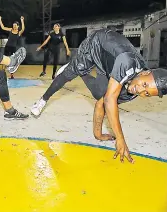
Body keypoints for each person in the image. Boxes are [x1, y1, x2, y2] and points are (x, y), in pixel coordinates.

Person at [31, 29, 167, 163]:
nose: (140, 91)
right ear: (144, 73)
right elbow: (110, 100)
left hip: (108, 66)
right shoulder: (127, 62)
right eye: (144, 85)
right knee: (70, 74)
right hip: (96, 44)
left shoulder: (131, 93)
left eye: (147, 93)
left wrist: (98, 134)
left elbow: (103, 102)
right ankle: (44, 98)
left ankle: (81, 72)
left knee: (99, 95)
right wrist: (120, 138)